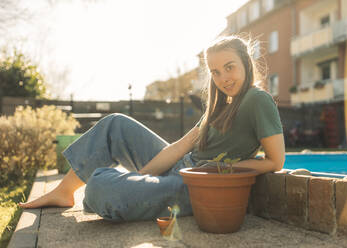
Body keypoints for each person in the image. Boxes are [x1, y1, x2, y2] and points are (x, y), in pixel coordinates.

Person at [19, 36, 285, 222]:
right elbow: (181, 147)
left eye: (229, 67)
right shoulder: (220, 105)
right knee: (115, 124)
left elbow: (276, 160)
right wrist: (145, 177)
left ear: (246, 64)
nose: (223, 78)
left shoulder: (256, 100)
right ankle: (65, 192)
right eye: (215, 72)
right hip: (182, 163)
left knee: (101, 188)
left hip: (196, 186)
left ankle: (110, 188)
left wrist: (227, 168)